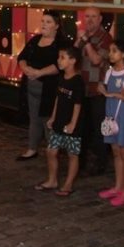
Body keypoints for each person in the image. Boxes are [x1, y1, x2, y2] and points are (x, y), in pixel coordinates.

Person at [35, 45, 84, 196]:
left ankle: (68, 184)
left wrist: (73, 123)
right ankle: (52, 180)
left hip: (72, 124)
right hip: (59, 121)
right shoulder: (62, 78)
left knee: (72, 154)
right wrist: (53, 117)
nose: (59, 60)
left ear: (73, 61)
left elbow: (77, 104)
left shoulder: (77, 81)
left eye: (62, 57)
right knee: (51, 151)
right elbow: (58, 98)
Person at [97, 39, 124, 206]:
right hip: (112, 114)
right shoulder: (109, 72)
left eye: (114, 51)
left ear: (123, 54)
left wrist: (113, 95)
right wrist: (103, 90)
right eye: (110, 51)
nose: (111, 54)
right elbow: (107, 91)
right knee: (115, 150)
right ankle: (118, 186)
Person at [16, 10, 62, 161]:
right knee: (34, 119)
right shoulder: (35, 40)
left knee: (48, 120)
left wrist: (40, 72)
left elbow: (59, 65)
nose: (44, 24)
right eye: (43, 21)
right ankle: (32, 148)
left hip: (49, 89)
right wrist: (25, 68)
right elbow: (22, 57)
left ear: (56, 26)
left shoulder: (61, 43)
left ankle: (52, 150)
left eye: (48, 22)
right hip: (31, 87)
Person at [74, 7, 113, 175]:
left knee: (98, 129)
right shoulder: (83, 36)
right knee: (81, 127)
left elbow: (97, 60)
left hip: (97, 89)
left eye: (93, 17)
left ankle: (100, 164)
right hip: (81, 87)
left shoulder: (106, 37)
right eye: (87, 16)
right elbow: (73, 56)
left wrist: (86, 42)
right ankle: (79, 163)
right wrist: (78, 41)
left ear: (100, 19)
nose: (89, 20)